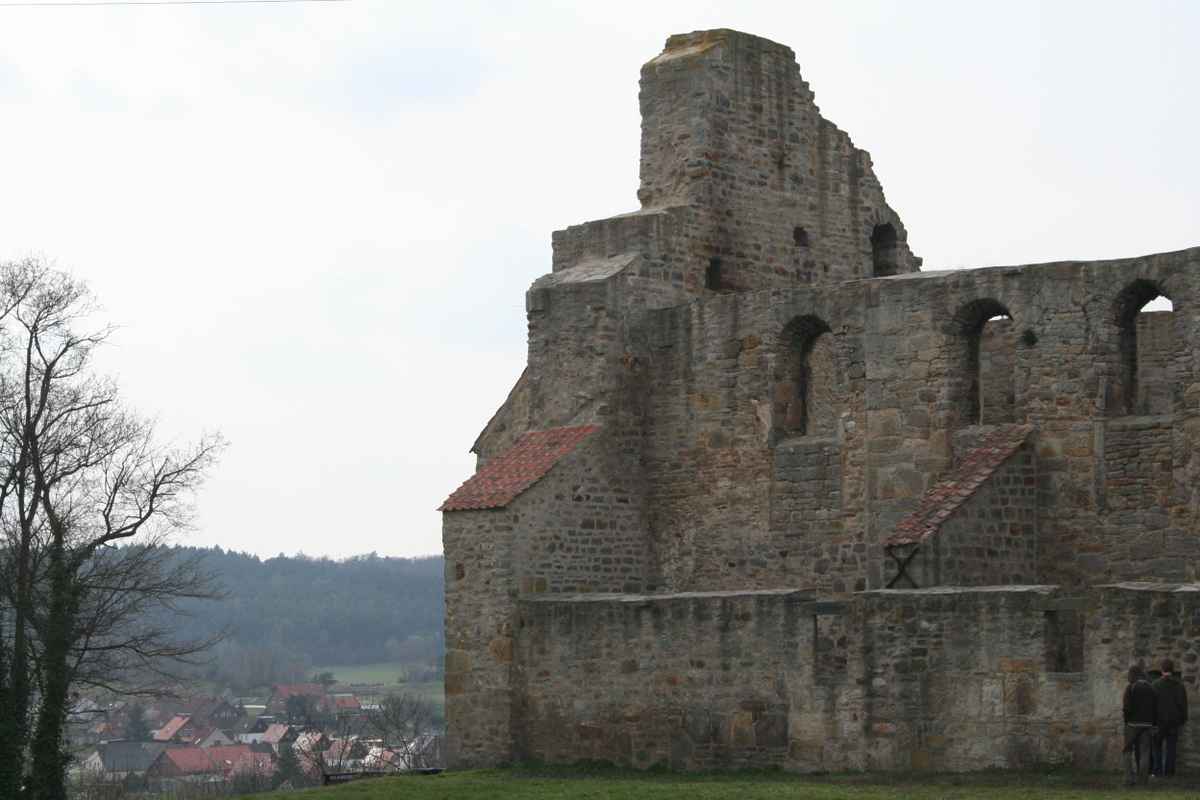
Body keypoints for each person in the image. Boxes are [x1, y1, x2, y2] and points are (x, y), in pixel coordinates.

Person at [1153, 658, 1189, 777]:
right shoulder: (1179, 685)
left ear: (1161, 669)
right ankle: (1169, 773)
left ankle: (1158, 772)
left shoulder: (1155, 685)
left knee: (1157, 747)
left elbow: (1152, 705)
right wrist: (1182, 719)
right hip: (1173, 722)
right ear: (1172, 670)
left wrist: (1153, 721)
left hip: (1159, 721)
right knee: (1171, 748)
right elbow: (1183, 705)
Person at [1123, 664, 1157, 786]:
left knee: (1127, 751)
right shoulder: (1151, 688)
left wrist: (1126, 721)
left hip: (1132, 724)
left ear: (1133, 675)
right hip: (1147, 725)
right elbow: (1155, 708)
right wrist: (1154, 724)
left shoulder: (1130, 687)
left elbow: (1126, 707)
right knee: (1145, 752)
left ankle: (1129, 779)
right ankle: (1143, 781)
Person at [1147, 668, 1163, 776]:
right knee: (1156, 748)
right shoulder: (1158, 687)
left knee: (1153, 748)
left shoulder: (1150, 688)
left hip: (1151, 722)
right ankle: (1156, 770)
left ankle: (1154, 770)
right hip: (1159, 721)